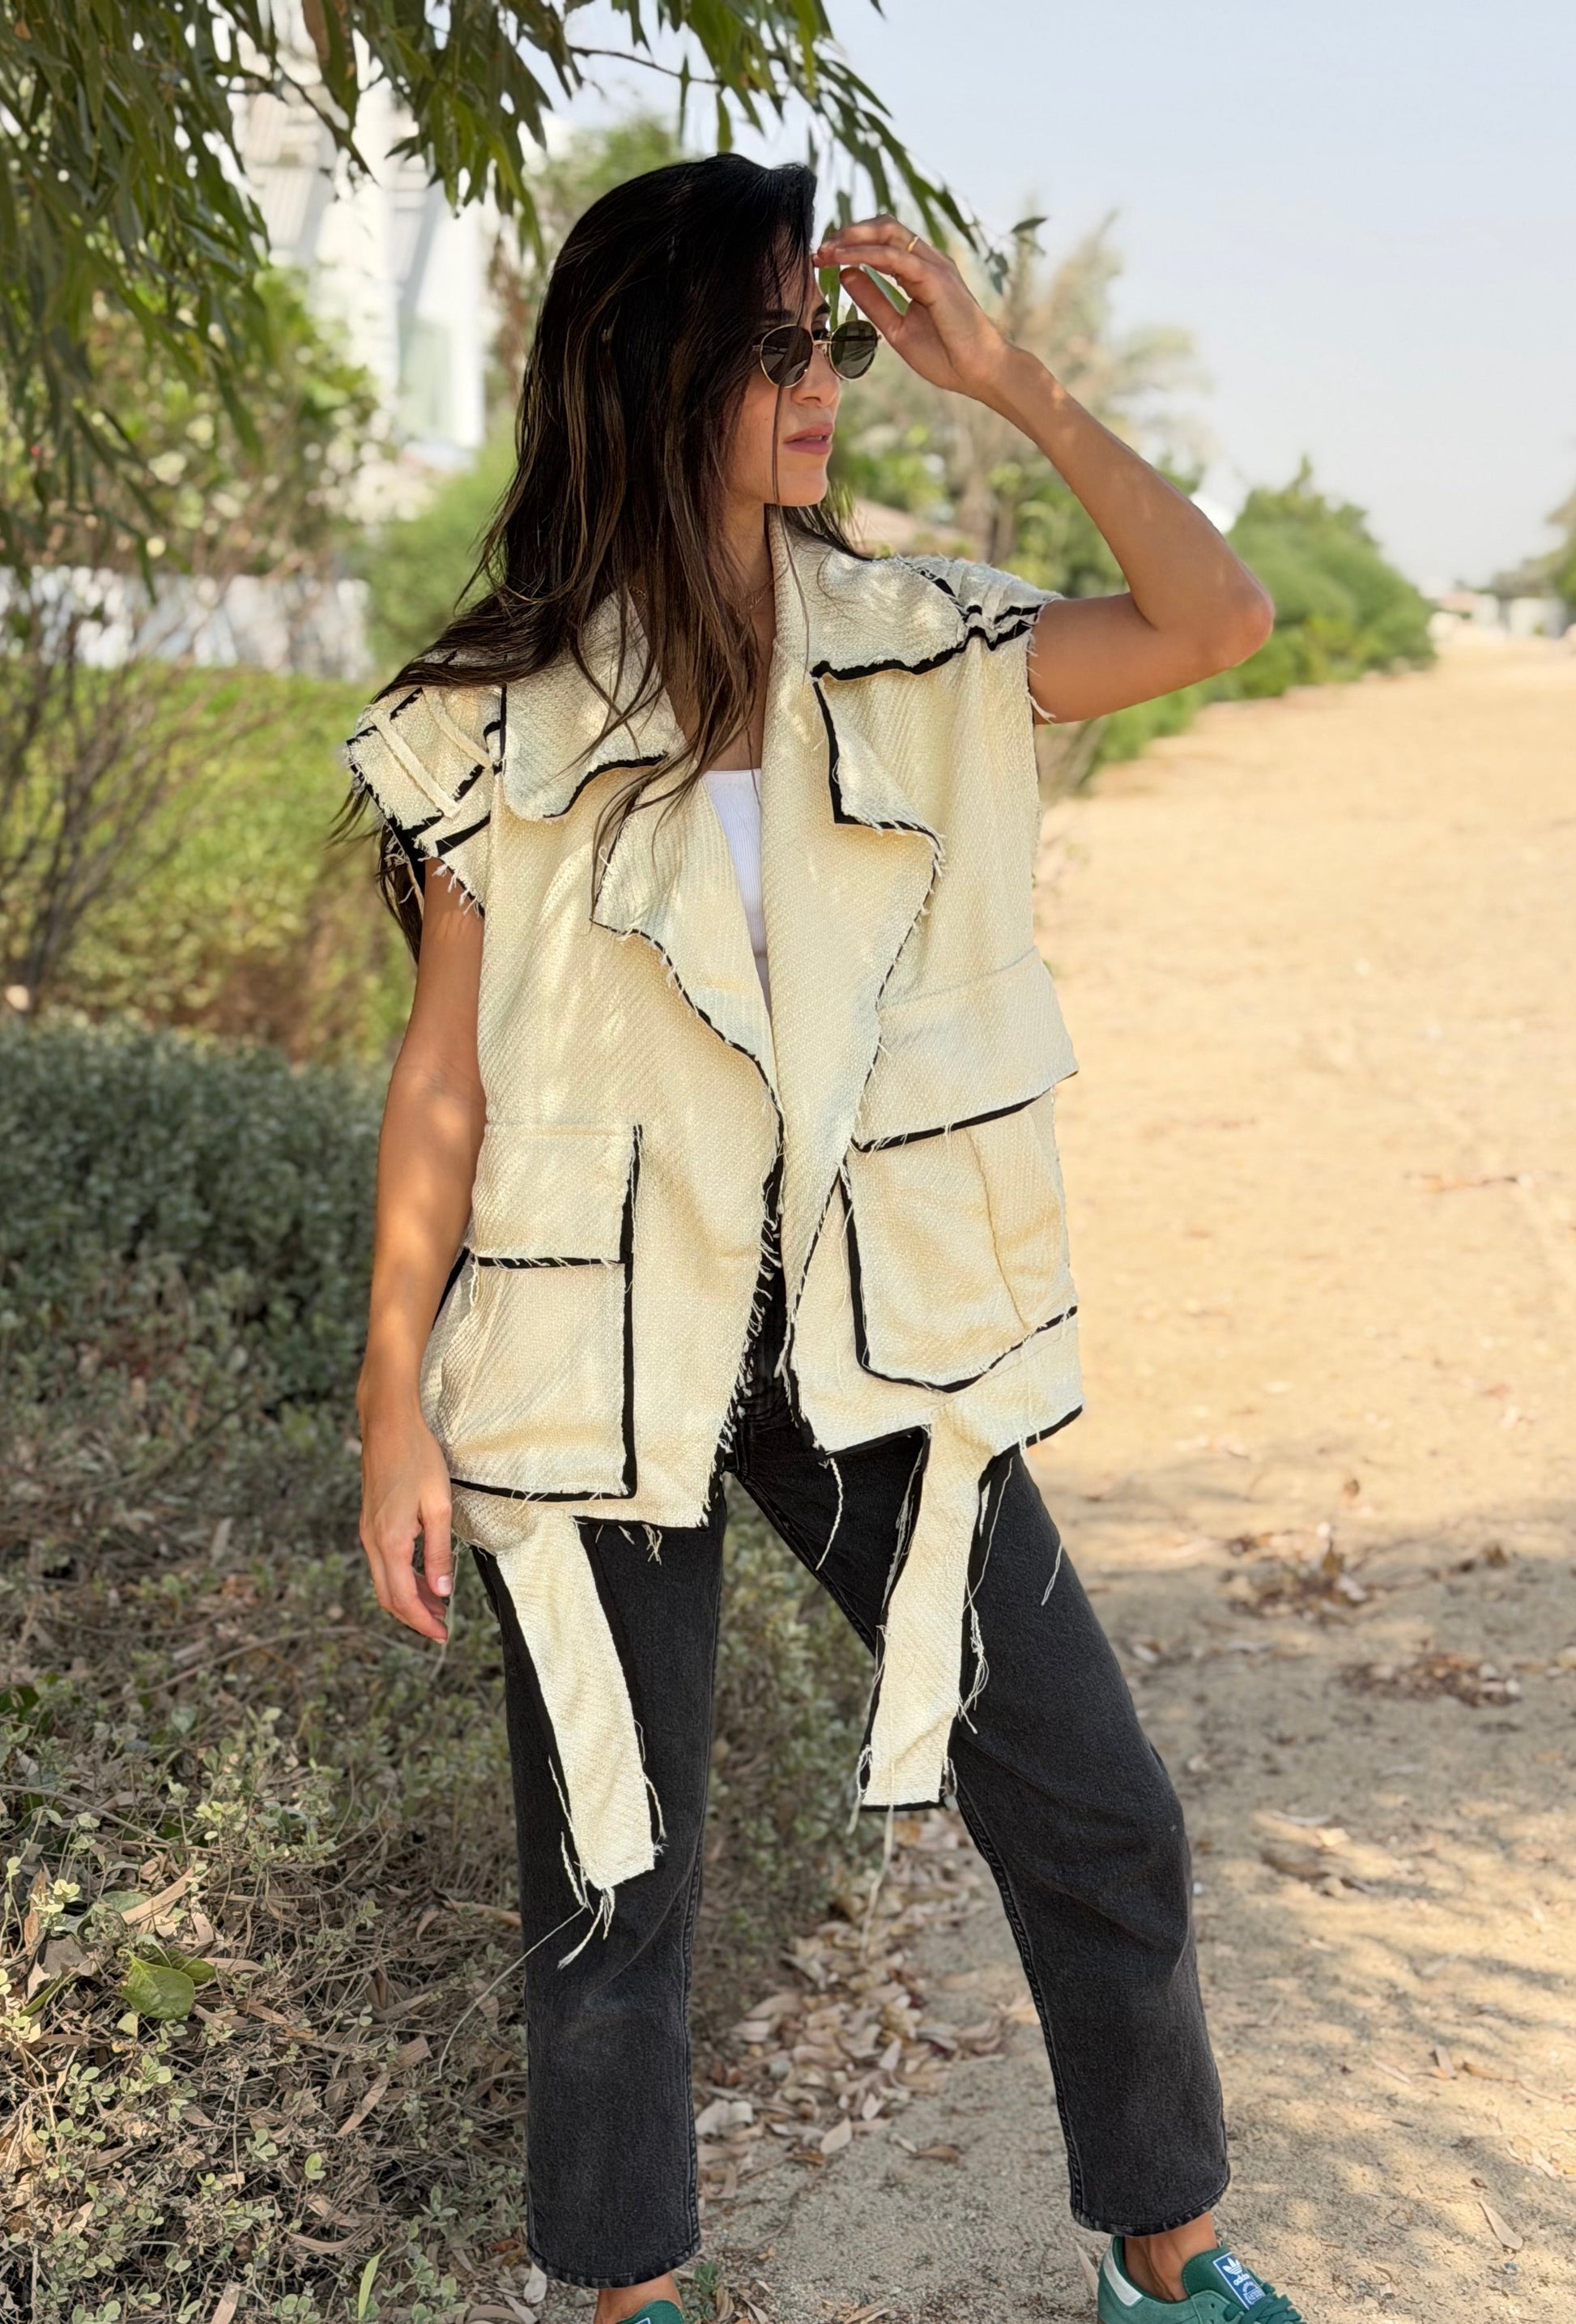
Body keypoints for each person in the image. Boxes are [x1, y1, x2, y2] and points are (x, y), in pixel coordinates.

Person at [341, 155, 1301, 2324]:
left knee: (1097, 1804)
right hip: (594, 1334)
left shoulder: (925, 644)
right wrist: (394, 1405)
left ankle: (1166, 2260)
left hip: (876, 1332)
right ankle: (629, 2297)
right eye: (774, 345)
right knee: (614, 1870)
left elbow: (1214, 622)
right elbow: (441, 1086)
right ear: (651, 365)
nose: (822, 384)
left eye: (834, 341)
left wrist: (1017, 384)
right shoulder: (491, 713)